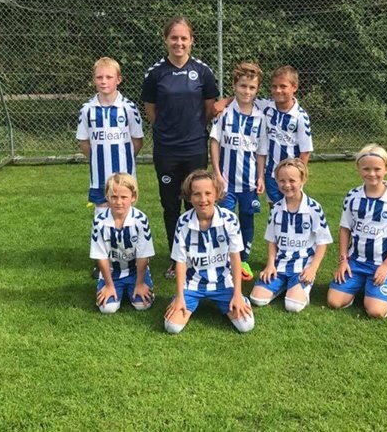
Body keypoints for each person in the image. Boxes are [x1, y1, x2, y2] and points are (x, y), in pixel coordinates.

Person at [140, 17, 219, 278]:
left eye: (184, 38)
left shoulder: (203, 71)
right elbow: (151, 110)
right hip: (166, 150)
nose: (179, 43)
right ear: (166, 40)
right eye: (174, 37)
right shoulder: (155, 73)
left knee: (196, 202)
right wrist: (167, 130)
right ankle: (177, 258)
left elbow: (209, 109)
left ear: (191, 41)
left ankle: (197, 253)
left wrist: (192, 129)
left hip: (194, 148)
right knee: (170, 205)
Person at [164, 170, 254, 334]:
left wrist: (237, 294)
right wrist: (179, 296)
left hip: (223, 282)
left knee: (245, 325)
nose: (203, 199)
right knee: (172, 327)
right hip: (193, 283)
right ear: (189, 196)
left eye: (208, 193)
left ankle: (238, 299)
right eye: (197, 194)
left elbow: (235, 258)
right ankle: (183, 299)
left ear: (217, 194)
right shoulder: (183, 221)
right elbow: (180, 261)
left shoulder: (229, 219)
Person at [327, 143, 387, 319]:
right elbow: (345, 229)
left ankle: (374, 290)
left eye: (377, 169)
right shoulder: (352, 196)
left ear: (386, 169)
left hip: (382, 263)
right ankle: (360, 284)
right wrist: (343, 260)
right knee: (334, 302)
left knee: (376, 311)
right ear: (359, 169)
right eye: (366, 169)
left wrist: (386, 266)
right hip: (355, 262)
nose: (371, 174)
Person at [215, 65, 313, 206]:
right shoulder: (266, 107)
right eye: (274, 86)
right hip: (271, 174)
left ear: (294, 87)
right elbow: (245, 97)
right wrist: (225, 101)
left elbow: (306, 151)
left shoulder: (300, 117)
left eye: (283, 86)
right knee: (275, 209)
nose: (278, 90)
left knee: (292, 208)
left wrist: (299, 176)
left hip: (291, 175)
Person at [209, 62, 267, 282]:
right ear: (234, 86)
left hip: (249, 182)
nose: (247, 91)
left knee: (247, 220)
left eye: (252, 88)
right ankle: (223, 259)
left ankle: (242, 260)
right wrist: (217, 173)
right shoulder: (224, 114)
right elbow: (215, 142)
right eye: (243, 86)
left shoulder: (260, 117)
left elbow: (261, 151)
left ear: (257, 90)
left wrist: (260, 177)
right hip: (226, 181)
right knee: (224, 220)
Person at [249, 158, 332, 313]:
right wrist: (270, 265)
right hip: (280, 264)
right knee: (257, 299)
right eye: (282, 180)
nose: (287, 185)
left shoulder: (314, 208)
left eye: (292, 180)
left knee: (293, 306)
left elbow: (322, 242)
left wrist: (312, 269)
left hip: (302, 265)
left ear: (302, 180)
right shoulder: (276, 209)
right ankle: (283, 285)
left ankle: (298, 288)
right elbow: (272, 240)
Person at [77, 57, 144, 215]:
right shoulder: (87, 109)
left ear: (118, 79)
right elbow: (84, 142)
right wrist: (97, 158)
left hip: (125, 175)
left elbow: (137, 141)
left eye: (109, 77)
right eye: (99, 77)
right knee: (102, 218)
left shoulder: (129, 108)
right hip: (99, 178)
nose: (104, 81)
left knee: (125, 215)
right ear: (94, 80)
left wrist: (124, 156)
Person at [90, 173, 155, 314]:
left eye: (124, 197)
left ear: (133, 197)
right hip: (112, 271)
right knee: (107, 309)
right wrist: (109, 285)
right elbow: (100, 255)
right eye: (114, 197)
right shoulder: (99, 221)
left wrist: (140, 283)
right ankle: (112, 286)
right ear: (107, 197)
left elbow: (143, 254)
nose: (118, 202)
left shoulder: (140, 220)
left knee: (142, 305)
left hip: (134, 270)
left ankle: (139, 283)